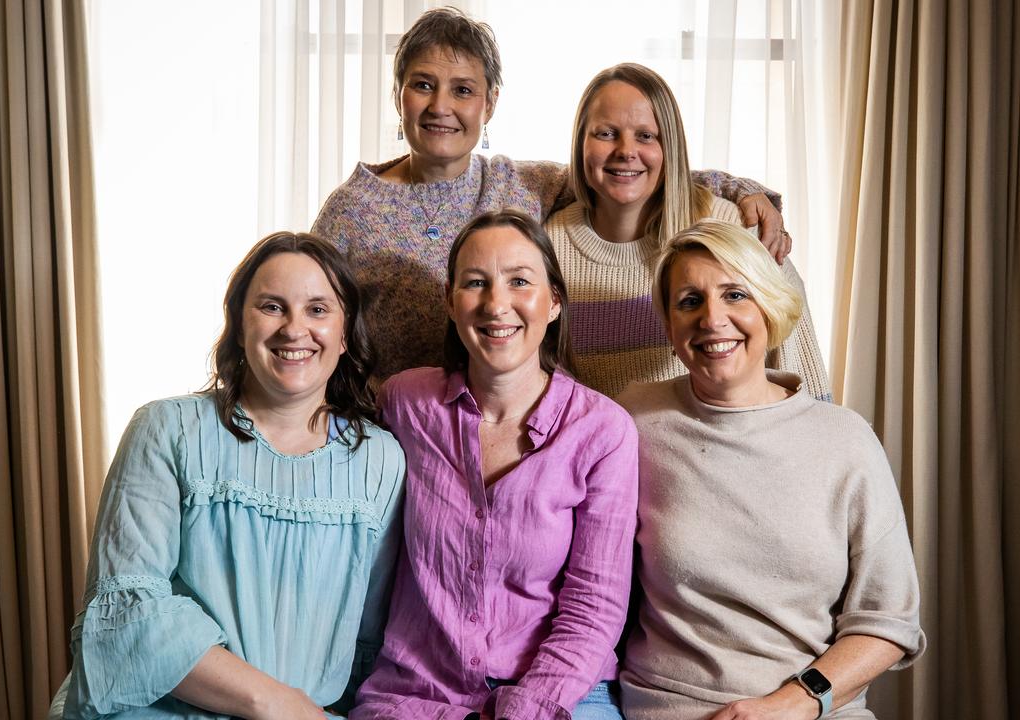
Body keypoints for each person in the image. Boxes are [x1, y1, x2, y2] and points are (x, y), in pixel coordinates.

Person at [311, 6, 788, 378]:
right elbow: (313, 328)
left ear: (489, 103)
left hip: (505, 430)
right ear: (399, 96)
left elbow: (631, 168)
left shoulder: (521, 185)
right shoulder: (353, 209)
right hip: (385, 436)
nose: (441, 106)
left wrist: (745, 190)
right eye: (422, 85)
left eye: (462, 90)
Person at [48, 233, 405, 720]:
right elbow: (131, 613)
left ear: (345, 335)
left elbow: (369, 638)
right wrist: (274, 703)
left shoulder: (381, 460)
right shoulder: (166, 429)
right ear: (239, 325)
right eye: (272, 307)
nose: (294, 328)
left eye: (318, 309)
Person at [615, 220, 925, 720]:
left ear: (768, 306)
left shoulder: (844, 439)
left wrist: (792, 704)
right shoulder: (633, 420)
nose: (713, 319)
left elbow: (889, 621)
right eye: (689, 301)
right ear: (669, 326)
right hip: (671, 708)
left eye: (735, 294)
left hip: (813, 709)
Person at [356, 210, 638, 719]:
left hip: (560, 694)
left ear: (553, 301)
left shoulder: (603, 432)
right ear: (450, 301)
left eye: (519, 282)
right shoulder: (405, 403)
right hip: (416, 696)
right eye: (476, 283)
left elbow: (595, 605)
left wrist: (525, 709)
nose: (496, 304)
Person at [545, 63, 831, 399]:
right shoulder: (547, 247)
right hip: (596, 449)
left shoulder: (732, 229)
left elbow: (797, 364)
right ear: (580, 144)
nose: (625, 150)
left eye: (646, 136)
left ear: (671, 148)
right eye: (606, 133)